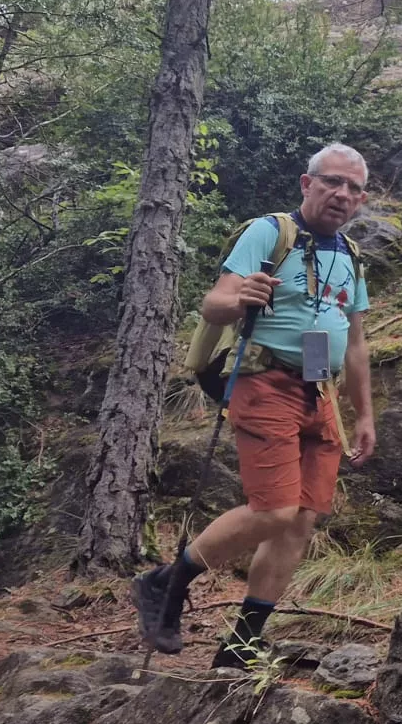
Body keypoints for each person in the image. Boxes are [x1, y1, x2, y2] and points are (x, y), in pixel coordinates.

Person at [134, 142, 379, 665]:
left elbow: (356, 343)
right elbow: (214, 302)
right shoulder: (269, 233)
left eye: (353, 188)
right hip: (265, 381)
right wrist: (241, 296)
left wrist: (365, 416)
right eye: (332, 181)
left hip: (322, 392)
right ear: (306, 183)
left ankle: (242, 642)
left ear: (361, 200)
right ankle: (163, 583)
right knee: (274, 511)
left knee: (300, 520)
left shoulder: (351, 257)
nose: (342, 194)